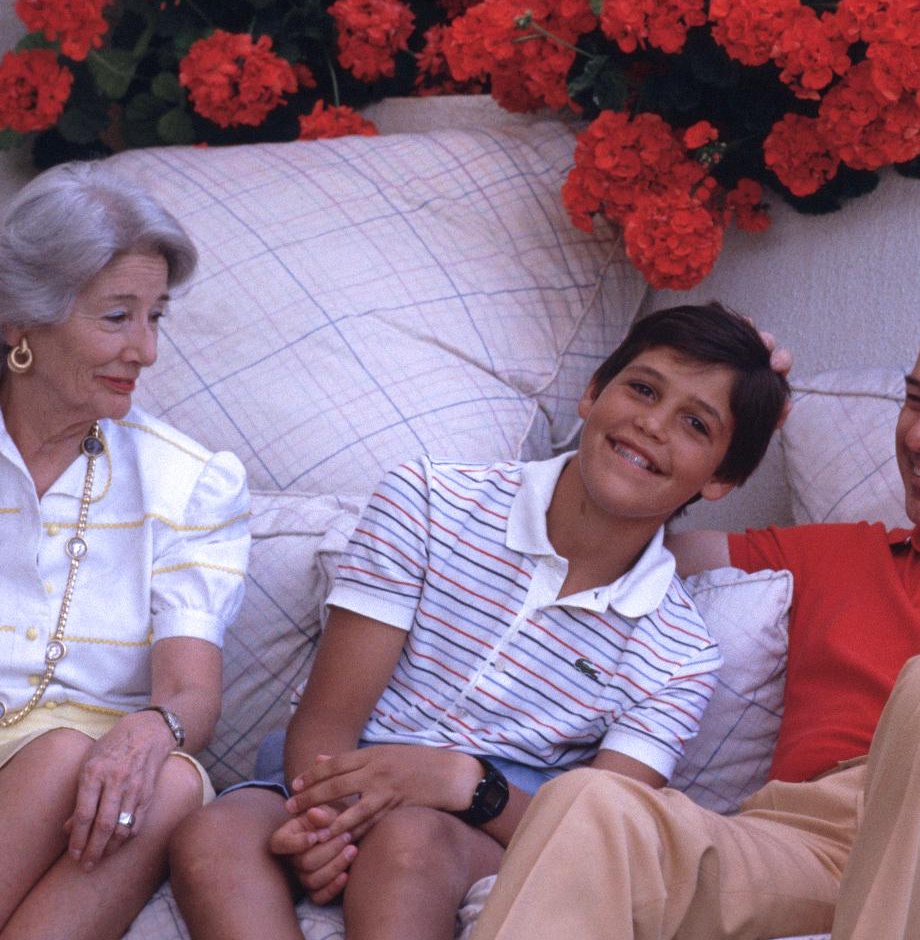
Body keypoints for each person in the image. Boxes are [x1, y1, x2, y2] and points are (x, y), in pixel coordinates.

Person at [471, 279, 920, 940]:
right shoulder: (839, 554)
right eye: (914, 399)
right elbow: (611, 541)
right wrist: (718, 405)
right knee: (587, 805)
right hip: (799, 841)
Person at [169, 303, 790, 940]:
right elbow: (328, 716)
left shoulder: (680, 653)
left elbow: (596, 838)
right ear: (594, 391)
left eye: (694, 423)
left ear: (721, 478)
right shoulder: (430, 501)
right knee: (212, 836)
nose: (651, 423)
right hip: (327, 774)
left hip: (480, 826)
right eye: (642, 388)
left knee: (408, 842)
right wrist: (326, 821)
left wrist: (466, 783)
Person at [0, 162, 251, 940]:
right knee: (72, 754)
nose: (145, 351)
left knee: (164, 778)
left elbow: (189, 693)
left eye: (155, 317)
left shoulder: (188, 482)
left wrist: (153, 729)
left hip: (111, 792)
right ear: (20, 322)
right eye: (116, 317)